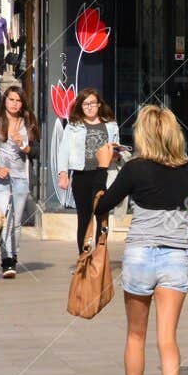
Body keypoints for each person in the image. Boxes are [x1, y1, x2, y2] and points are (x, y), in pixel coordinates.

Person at [95, 105, 188, 375]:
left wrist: (103, 167)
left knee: (136, 335)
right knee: (167, 339)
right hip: (174, 257)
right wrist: (185, 207)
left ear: (144, 136)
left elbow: (100, 205)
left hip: (139, 255)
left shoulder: (134, 169)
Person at [0, 86, 38, 279]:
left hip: (21, 178)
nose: (14, 104)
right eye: (11, 99)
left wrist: (24, 145)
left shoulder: (28, 123)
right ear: (4, 101)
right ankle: (6, 261)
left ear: (22, 104)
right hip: (0, 180)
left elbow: (37, 152)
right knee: (4, 220)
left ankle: (13, 257)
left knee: (15, 223)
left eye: (18, 100)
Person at [58, 88, 119, 252]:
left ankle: (99, 256)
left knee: (102, 216)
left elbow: (116, 147)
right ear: (80, 106)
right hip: (82, 175)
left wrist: (116, 154)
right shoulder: (73, 127)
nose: (89, 107)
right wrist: (63, 173)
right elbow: (64, 150)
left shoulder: (111, 125)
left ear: (99, 105)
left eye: (92, 103)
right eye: (85, 104)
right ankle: (83, 257)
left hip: (104, 174)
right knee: (84, 217)